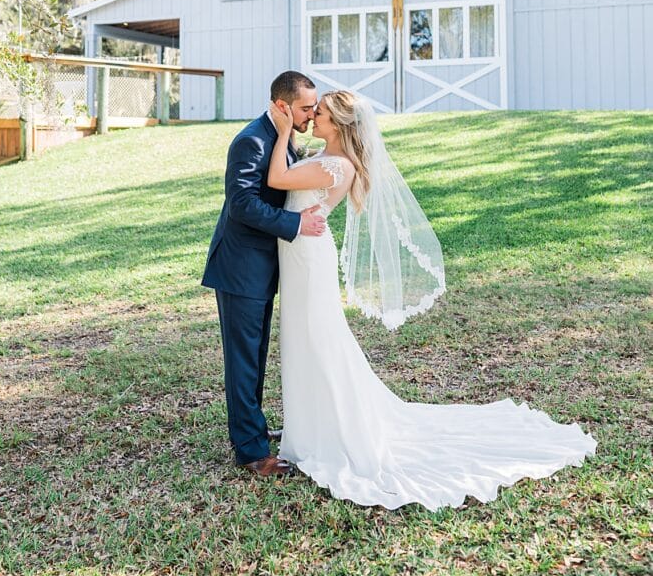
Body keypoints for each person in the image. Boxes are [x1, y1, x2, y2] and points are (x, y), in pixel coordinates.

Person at [266, 90, 597, 510]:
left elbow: (278, 179)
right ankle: (307, 426)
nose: (314, 117)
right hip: (299, 258)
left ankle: (331, 430)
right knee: (303, 340)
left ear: (341, 124)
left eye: (323, 114)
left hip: (309, 261)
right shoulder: (322, 155)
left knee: (318, 339)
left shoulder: (337, 166)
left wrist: (281, 133)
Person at [202, 71, 326, 477]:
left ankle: (251, 431)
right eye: (306, 107)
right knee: (243, 361)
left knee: (254, 356)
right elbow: (241, 204)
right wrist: (295, 225)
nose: (313, 113)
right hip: (241, 269)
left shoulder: (282, 136)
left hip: (262, 268)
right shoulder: (251, 140)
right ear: (281, 106)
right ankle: (253, 454)